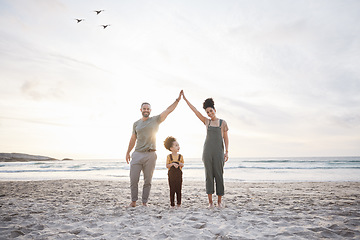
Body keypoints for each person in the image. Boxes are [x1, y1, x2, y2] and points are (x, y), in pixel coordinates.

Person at [126, 91, 182, 207]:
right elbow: (133, 139)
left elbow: (168, 110)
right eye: (144, 108)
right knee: (133, 179)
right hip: (137, 154)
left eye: (148, 109)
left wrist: (177, 100)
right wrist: (128, 152)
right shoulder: (136, 124)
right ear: (141, 110)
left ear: (150, 111)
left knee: (148, 181)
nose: (146, 110)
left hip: (150, 155)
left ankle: (144, 202)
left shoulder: (155, 120)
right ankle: (133, 201)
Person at [182, 92, 229, 208]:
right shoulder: (206, 122)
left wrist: (227, 152)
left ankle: (219, 202)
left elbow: (226, 138)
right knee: (209, 176)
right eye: (207, 112)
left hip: (218, 153)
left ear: (215, 110)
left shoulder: (222, 123)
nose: (209, 113)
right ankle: (210, 202)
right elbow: (195, 111)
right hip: (207, 152)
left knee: (219, 175)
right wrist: (185, 99)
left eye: (211, 111)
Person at [164, 136, 184, 208]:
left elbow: (182, 164)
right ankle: (172, 204)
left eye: (178, 145)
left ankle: (179, 203)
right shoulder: (169, 156)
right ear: (171, 148)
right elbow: (167, 165)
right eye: (176, 145)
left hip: (179, 174)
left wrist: (179, 164)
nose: (178, 147)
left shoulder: (180, 156)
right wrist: (172, 164)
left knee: (179, 189)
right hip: (171, 174)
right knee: (172, 189)